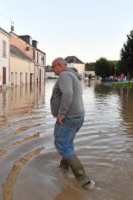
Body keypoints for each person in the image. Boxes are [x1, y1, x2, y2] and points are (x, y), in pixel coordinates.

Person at [50, 57, 95, 190]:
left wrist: (61, 113)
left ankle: (84, 180)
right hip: (78, 116)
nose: (52, 70)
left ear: (59, 65)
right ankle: (63, 168)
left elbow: (68, 93)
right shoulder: (72, 75)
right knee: (67, 143)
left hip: (68, 117)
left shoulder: (64, 75)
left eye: (53, 67)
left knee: (62, 144)